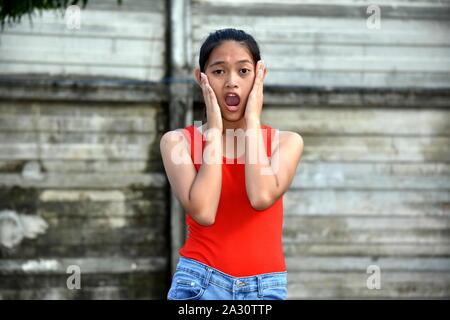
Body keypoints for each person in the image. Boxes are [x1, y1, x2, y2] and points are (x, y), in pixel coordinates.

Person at [160, 28, 304, 300]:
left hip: (266, 289)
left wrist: (252, 122)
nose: (231, 82)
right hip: (199, 283)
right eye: (218, 72)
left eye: (243, 71)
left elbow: (260, 196)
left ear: (260, 75)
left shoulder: (286, 142)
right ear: (200, 78)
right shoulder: (177, 142)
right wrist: (213, 131)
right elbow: (204, 212)